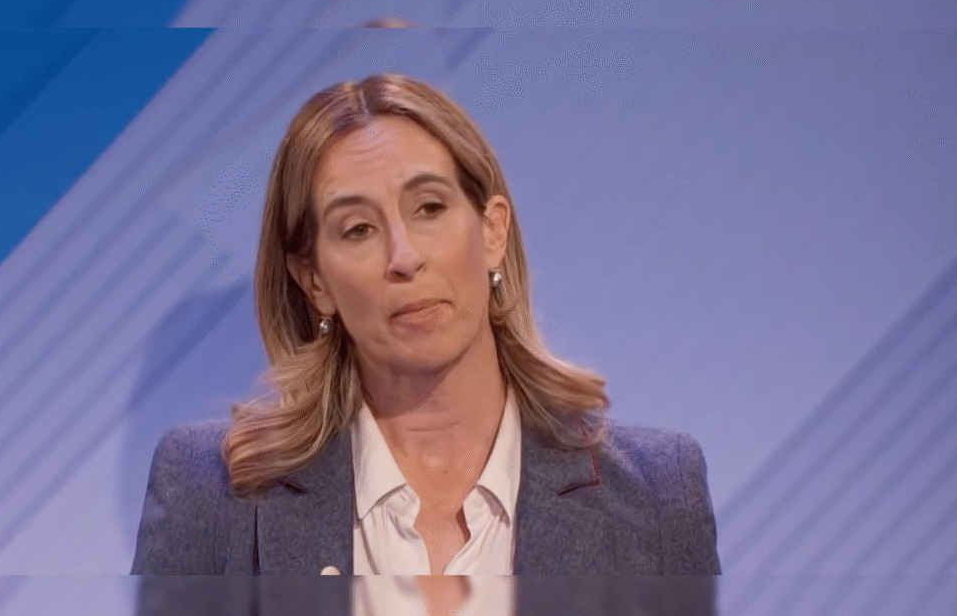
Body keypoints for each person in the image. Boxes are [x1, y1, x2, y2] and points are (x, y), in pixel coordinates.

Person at [131, 73, 720, 576]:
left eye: (430, 208)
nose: (404, 257)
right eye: (358, 229)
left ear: (492, 231)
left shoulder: (658, 496)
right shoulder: (210, 497)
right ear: (314, 280)